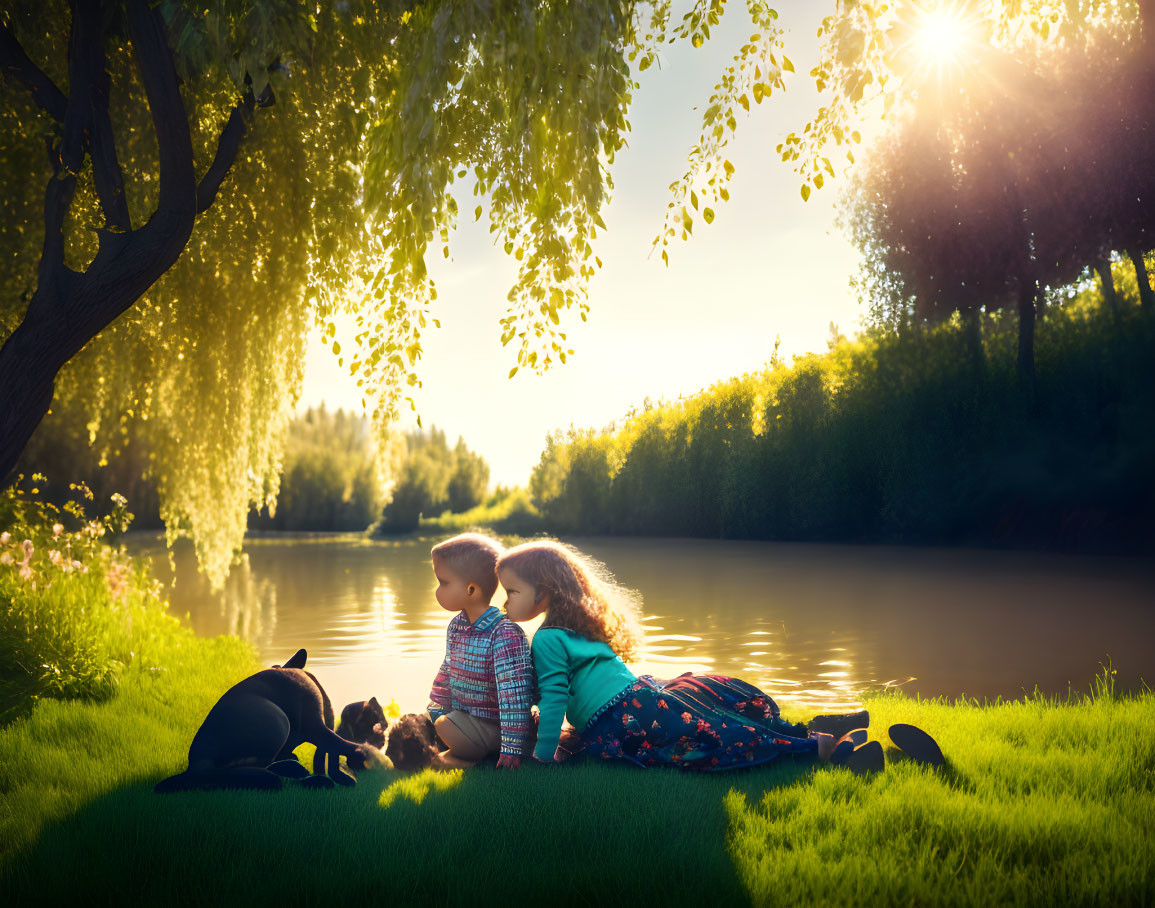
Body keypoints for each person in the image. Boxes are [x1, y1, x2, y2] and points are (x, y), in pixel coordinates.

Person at [496, 540, 927, 771]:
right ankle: (823, 725)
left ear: (545, 591)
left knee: (710, 739)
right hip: (640, 695)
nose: (504, 603)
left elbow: (555, 699)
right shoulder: (580, 629)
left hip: (624, 714)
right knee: (715, 706)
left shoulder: (548, 639)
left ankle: (825, 750)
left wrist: (542, 754)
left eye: (511, 592)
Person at [427, 533, 534, 770]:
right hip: (465, 716)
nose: (437, 591)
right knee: (433, 720)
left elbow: (514, 697)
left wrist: (511, 749)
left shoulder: (504, 633)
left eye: (443, 582)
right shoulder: (457, 626)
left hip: (494, 726)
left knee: (445, 726)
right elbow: (448, 668)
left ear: (471, 589)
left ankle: (473, 758)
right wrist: (436, 705)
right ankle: (457, 746)